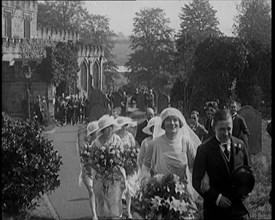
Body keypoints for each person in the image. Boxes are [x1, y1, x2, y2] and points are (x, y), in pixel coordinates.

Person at [192, 109, 251, 220]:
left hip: (238, 209)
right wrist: (217, 198)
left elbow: (248, 171)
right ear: (214, 128)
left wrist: (245, 191)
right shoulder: (204, 150)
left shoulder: (240, 145)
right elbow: (196, 180)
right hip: (215, 210)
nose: (226, 133)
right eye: (222, 129)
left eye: (229, 129)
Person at [141, 107, 201, 205]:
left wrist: (193, 189)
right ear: (163, 124)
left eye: (175, 120)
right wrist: (147, 184)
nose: (172, 123)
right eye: (168, 120)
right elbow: (145, 167)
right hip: (160, 194)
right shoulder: (154, 144)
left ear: (180, 123)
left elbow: (193, 168)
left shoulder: (186, 142)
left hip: (182, 193)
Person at [90, 115, 126, 219]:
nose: (110, 129)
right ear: (103, 130)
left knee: (114, 199)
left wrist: (115, 163)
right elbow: (91, 160)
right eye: (108, 127)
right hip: (100, 175)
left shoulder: (117, 140)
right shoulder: (96, 143)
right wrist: (100, 167)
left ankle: (115, 216)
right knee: (101, 199)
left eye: (111, 127)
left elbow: (122, 157)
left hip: (115, 175)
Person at [116, 116, 138, 219]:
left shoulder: (129, 136)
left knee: (129, 189)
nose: (124, 128)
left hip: (128, 164)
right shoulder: (116, 137)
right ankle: (119, 210)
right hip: (118, 164)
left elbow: (134, 148)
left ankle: (128, 211)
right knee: (120, 188)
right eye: (122, 126)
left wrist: (132, 156)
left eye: (125, 126)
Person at [79, 121, 99, 220]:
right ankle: (94, 214)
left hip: (98, 172)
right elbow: (83, 160)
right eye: (96, 131)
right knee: (92, 191)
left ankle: (100, 211)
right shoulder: (87, 145)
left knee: (99, 192)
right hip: (88, 171)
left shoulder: (100, 144)